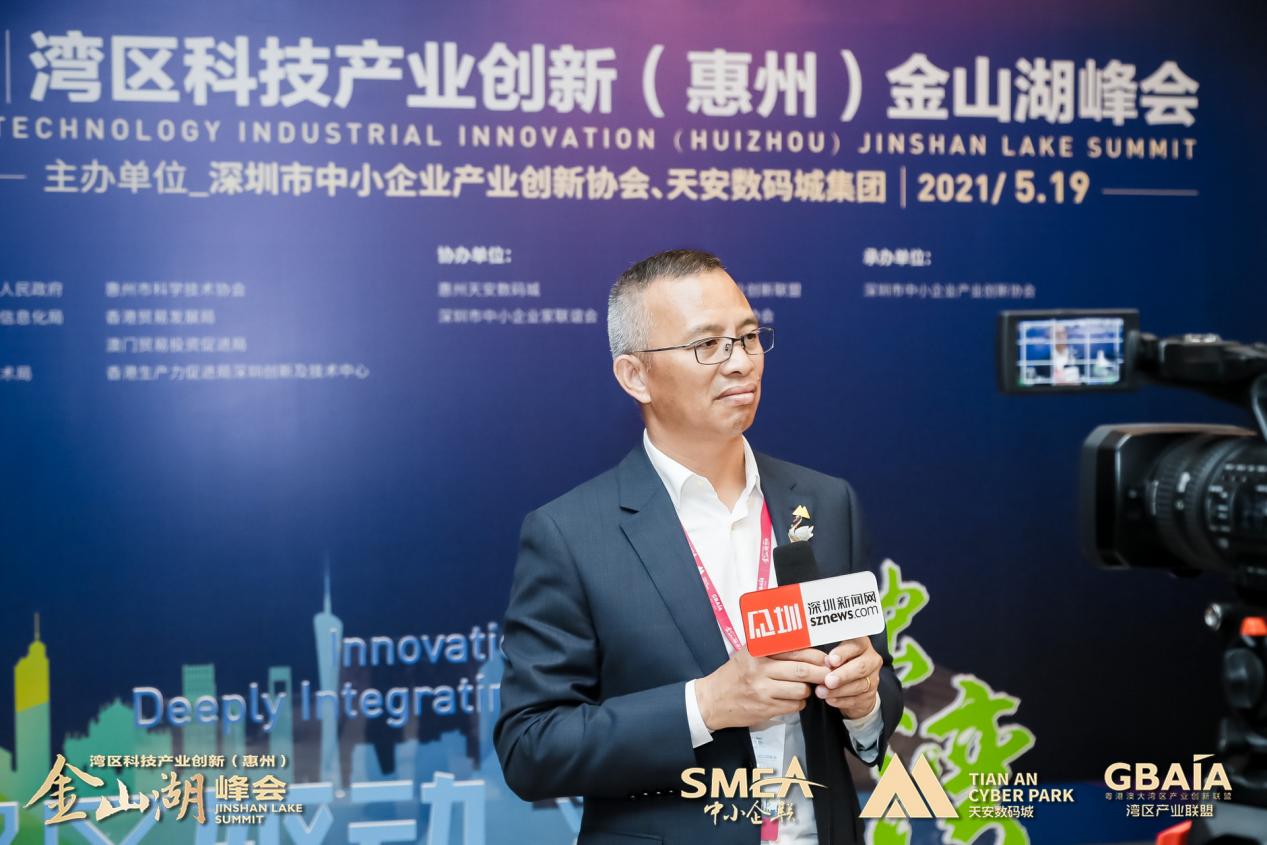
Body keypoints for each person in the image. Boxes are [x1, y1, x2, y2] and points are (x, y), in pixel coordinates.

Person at [494, 249, 902, 845]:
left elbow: (878, 687)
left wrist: (863, 701)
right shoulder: (570, 534)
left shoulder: (825, 502)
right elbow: (530, 748)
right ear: (635, 376)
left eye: (749, 337)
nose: (740, 363)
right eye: (707, 344)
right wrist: (705, 705)